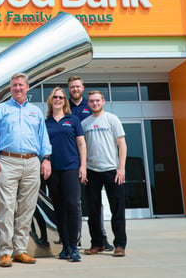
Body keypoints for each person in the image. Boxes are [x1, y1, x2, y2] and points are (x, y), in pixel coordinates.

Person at [0, 72, 52, 267]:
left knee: (27, 208)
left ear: (27, 87)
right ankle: (5, 251)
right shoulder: (1, 110)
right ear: (10, 88)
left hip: (32, 162)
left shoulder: (36, 112)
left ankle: (20, 250)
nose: (18, 88)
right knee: (7, 207)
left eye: (21, 85)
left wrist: (46, 159)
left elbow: (43, 139)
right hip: (7, 161)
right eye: (14, 85)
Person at [67, 75, 112, 251]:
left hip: (92, 164)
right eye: (72, 87)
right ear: (68, 89)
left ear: (82, 88)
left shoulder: (91, 107)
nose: (75, 89)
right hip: (72, 163)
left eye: (78, 86)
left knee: (95, 203)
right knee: (74, 202)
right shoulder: (65, 107)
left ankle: (101, 238)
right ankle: (75, 238)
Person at [81, 90, 127, 257]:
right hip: (92, 172)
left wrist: (121, 168)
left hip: (112, 171)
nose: (95, 103)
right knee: (93, 211)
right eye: (91, 101)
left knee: (117, 210)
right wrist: (84, 168)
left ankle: (120, 245)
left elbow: (122, 144)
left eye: (97, 100)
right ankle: (97, 243)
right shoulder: (85, 123)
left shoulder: (111, 119)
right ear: (88, 103)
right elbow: (82, 148)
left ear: (103, 101)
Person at [45, 87, 86, 262]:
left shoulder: (73, 119)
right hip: (53, 170)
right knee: (59, 208)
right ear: (50, 100)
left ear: (65, 101)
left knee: (72, 204)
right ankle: (65, 246)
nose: (58, 99)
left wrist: (83, 166)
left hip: (71, 167)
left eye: (61, 97)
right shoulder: (45, 122)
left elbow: (81, 144)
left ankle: (74, 246)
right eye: (55, 97)